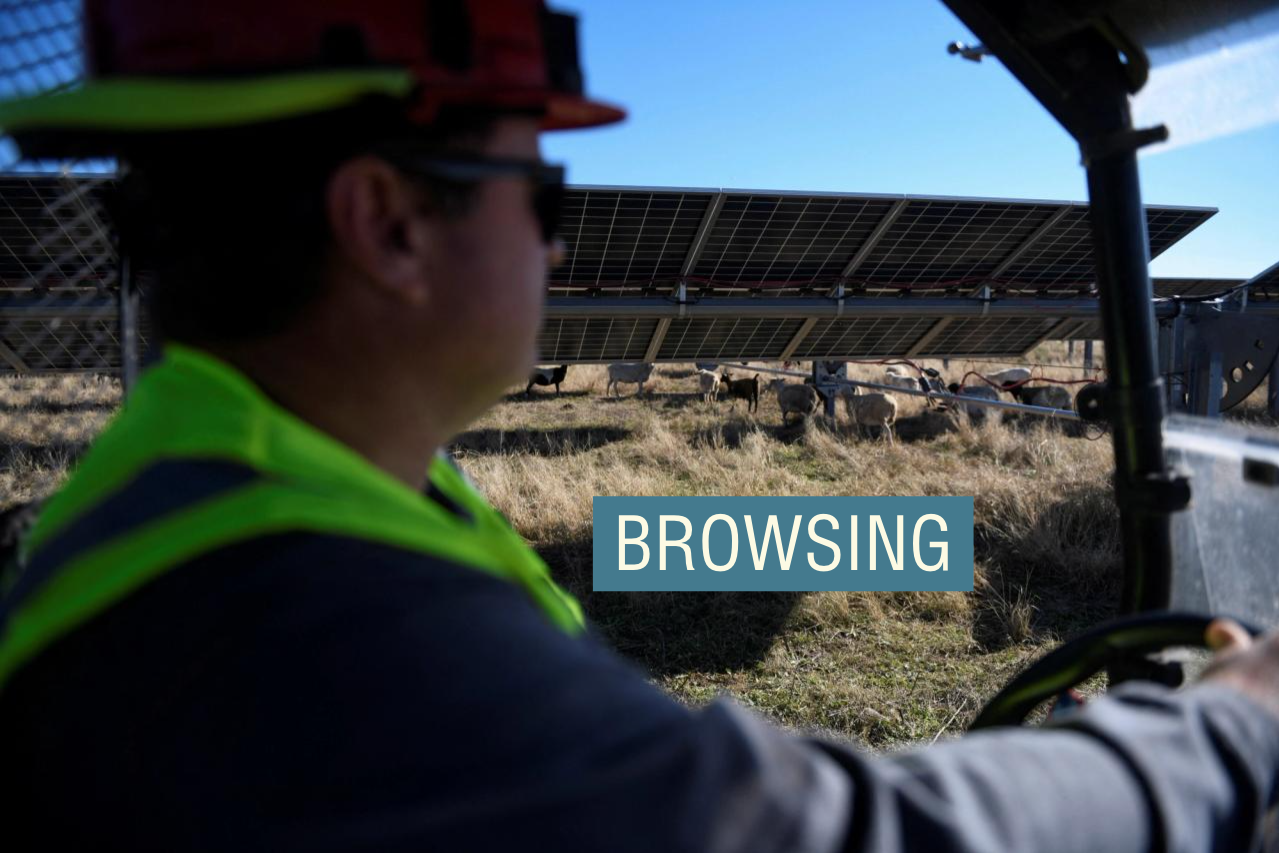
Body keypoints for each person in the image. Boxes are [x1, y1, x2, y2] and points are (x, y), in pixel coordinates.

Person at [0, 2, 1277, 851]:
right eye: (541, 190)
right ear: (389, 222)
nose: (559, 239)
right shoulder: (285, 619)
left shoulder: (256, 498)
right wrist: (1232, 723)